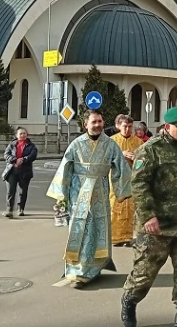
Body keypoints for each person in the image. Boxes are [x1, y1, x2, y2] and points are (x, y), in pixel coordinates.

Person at [120, 107, 177, 327]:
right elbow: (139, 185)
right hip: (156, 228)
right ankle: (129, 299)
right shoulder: (151, 150)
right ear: (167, 127)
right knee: (143, 275)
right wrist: (148, 216)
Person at [46, 110, 131, 288]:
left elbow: (120, 168)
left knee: (97, 229)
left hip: (100, 192)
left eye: (100, 121)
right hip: (78, 193)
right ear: (86, 124)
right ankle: (78, 271)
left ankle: (95, 267)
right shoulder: (76, 144)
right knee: (80, 230)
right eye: (94, 122)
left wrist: (122, 191)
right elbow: (65, 169)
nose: (98, 124)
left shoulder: (110, 144)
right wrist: (61, 196)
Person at [110, 114, 144, 247]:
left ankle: (128, 237)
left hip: (132, 180)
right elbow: (105, 159)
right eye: (125, 126)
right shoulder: (111, 142)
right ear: (118, 126)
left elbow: (143, 161)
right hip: (116, 181)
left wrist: (136, 158)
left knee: (130, 209)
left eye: (130, 127)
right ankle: (115, 237)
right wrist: (120, 154)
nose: (128, 129)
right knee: (115, 207)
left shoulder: (139, 142)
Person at [2, 127, 38, 218]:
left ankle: (20, 209)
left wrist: (23, 159)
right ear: (16, 135)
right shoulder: (12, 145)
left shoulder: (31, 146)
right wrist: (15, 160)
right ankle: (9, 210)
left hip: (25, 171)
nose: (22, 135)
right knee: (11, 191)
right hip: (12, 171)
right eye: (20, 133)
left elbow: (33, 155)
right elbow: (6, 155)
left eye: (24, 133)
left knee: (23, 191)